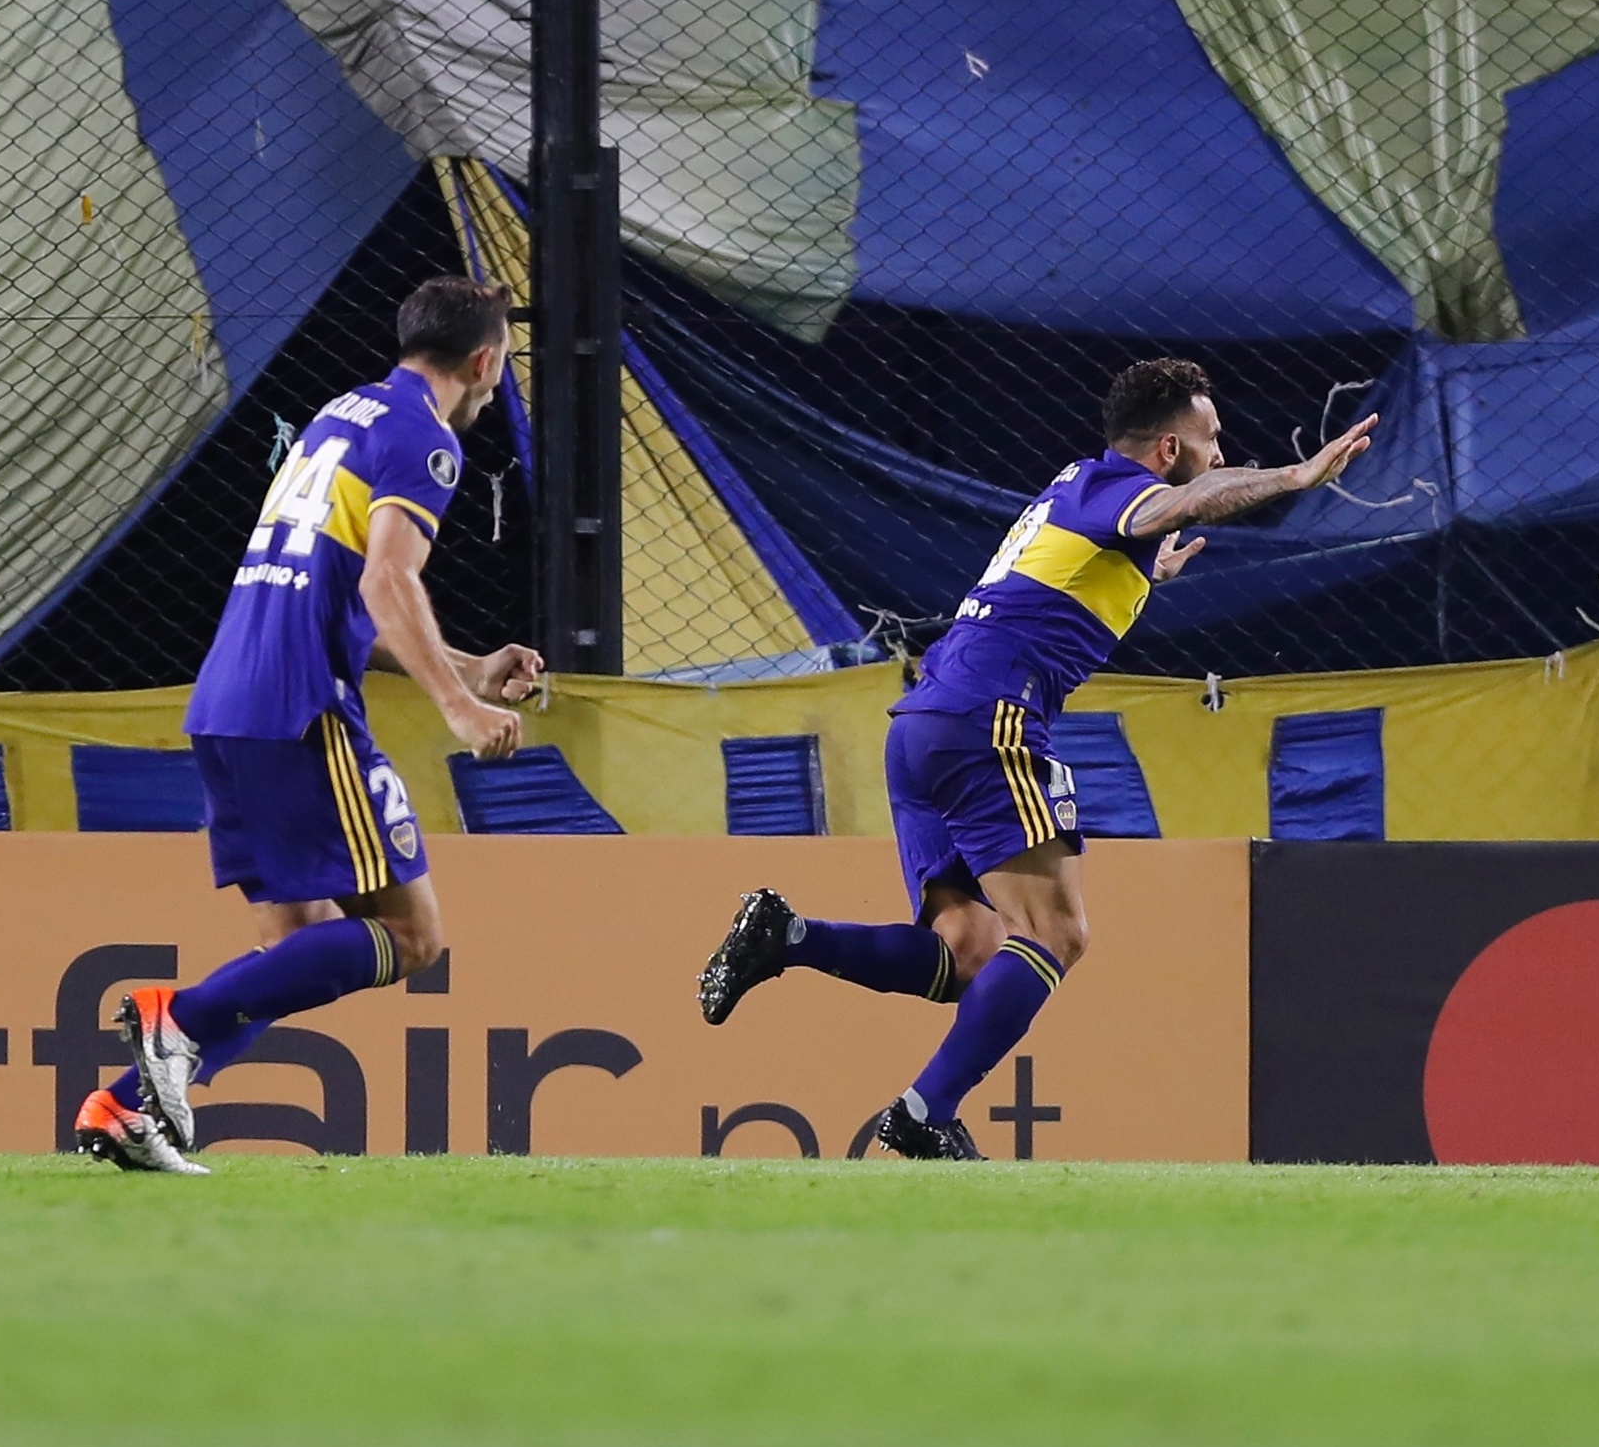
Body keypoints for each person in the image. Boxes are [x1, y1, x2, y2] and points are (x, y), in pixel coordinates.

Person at [697, 358, 1375, 1159]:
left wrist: (1143, 569)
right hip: (989, 721)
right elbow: (1194, 499)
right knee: (1055, 933)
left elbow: (1053, 580)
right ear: (1165, 449)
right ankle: (923, 1113)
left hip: (922, 727)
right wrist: (1295, 475)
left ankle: (790, 936)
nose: (1220, 454)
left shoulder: (1072, 494)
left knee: (968, 950)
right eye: (1210, 439)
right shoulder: (1118, 491)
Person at [76, 276, 543, 1173]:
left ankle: (122, 1107)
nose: (497, 386)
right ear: (482, 361)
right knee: (413, 938)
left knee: (289, 955)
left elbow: (332, 596)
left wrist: (470, 666)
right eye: (503, 369)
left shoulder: (341, 416)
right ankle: (180, 1020)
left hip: (230, 702)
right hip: (302, 711)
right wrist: (460, 708)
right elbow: (386, 584)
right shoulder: (426, 440)